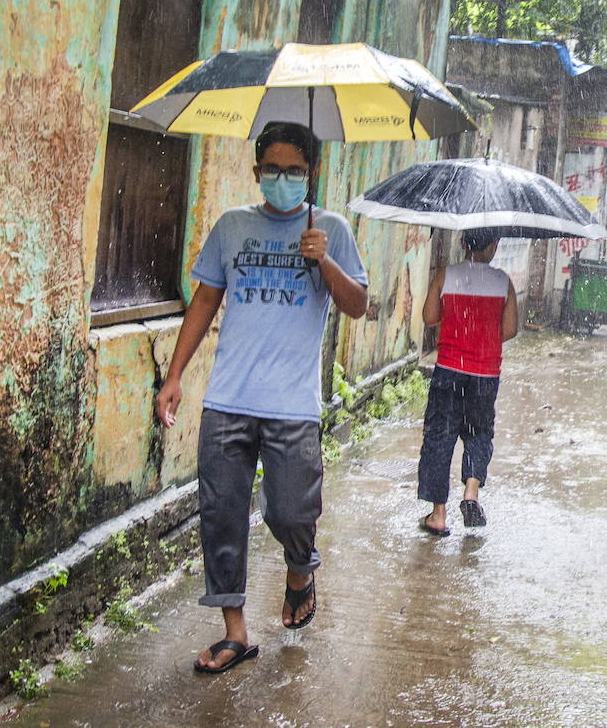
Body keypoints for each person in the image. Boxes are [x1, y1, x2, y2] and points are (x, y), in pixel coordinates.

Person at [155, 121, 369, 674]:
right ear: (256, 172)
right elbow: (204, 302)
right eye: (272, 169)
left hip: (292, 406)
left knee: (294, 510)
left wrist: (323, 259)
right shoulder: (232, 227)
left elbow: (357, 304)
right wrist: (174, 374)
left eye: (294, 170)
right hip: (229, 400)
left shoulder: (332, 230)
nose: (282, 178)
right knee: (221, 515)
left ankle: (301, 571)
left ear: (311, 174)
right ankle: (235, 633)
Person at [416, 228, 518, 536]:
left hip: (449, 371)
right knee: (479, 433)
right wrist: (483, 338)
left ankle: (438, 515)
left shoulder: (446, 275)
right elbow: (510, 329)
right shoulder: (503, 282)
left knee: (439, 438)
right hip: (485, 375)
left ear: (463, 243)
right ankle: (471, 492)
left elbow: (429, 317)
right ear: (494, 246)